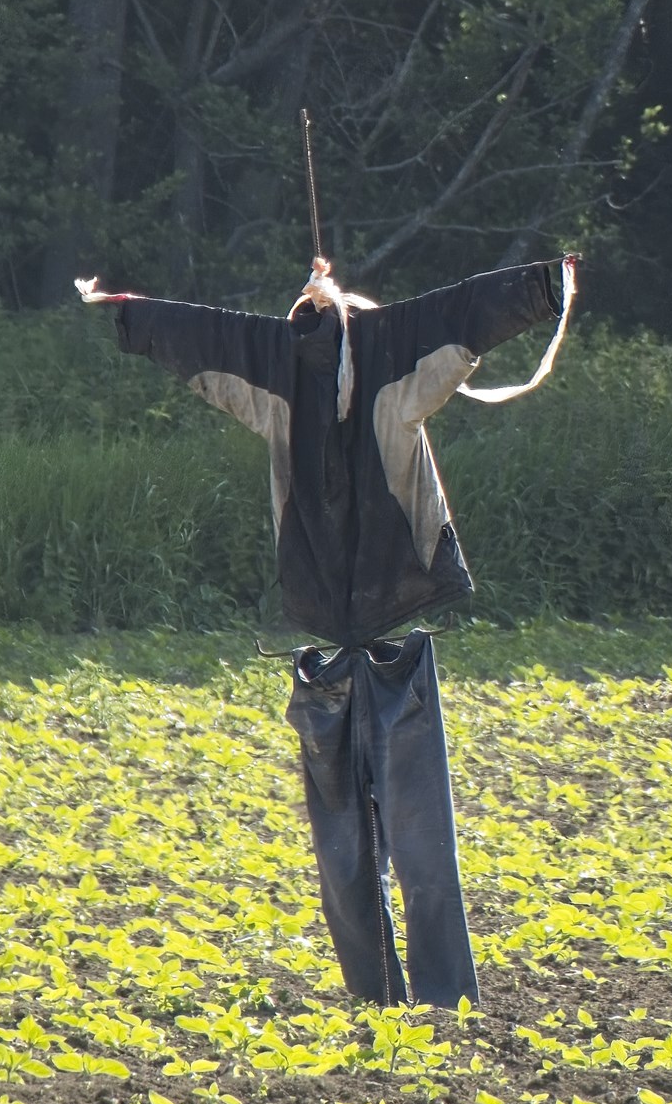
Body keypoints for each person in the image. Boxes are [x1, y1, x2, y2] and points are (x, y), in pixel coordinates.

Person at [79, 253, 577, 1007]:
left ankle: (391, 998)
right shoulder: (385, 356)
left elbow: (198, 338)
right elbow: (467, 313)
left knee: (356, 850)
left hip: (340, 640)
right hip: (385, 632)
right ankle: (433, 999)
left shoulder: (279, 369)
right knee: (406, 844)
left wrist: (128, 315)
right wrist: (545, 287)